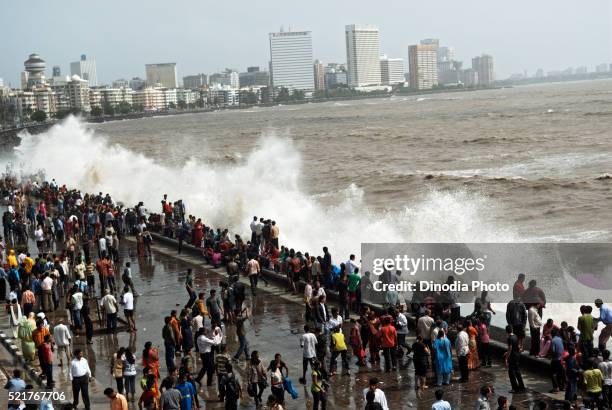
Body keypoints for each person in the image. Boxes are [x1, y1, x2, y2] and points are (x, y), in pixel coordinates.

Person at [504, 325, 525, 393]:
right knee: (518, 372)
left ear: (506, 331)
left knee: (511, 373)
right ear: (512, 330)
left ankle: (515, 388)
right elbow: (517, 346)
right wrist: (507, 352)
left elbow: (510, 349)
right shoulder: (515, 336)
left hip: (512, 357)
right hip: (517, 356)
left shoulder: (509, 338)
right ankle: (522, 386)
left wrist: (506, 358)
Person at [550, 328, 565, 393]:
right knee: (560, 373)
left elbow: (553, 351)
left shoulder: (553, 340)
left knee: (553, 374)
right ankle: (562, 387)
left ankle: (555, 388)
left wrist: (551, 356)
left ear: (551, 334)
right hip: (561, 359)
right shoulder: (560, 339)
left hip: (555, 359)